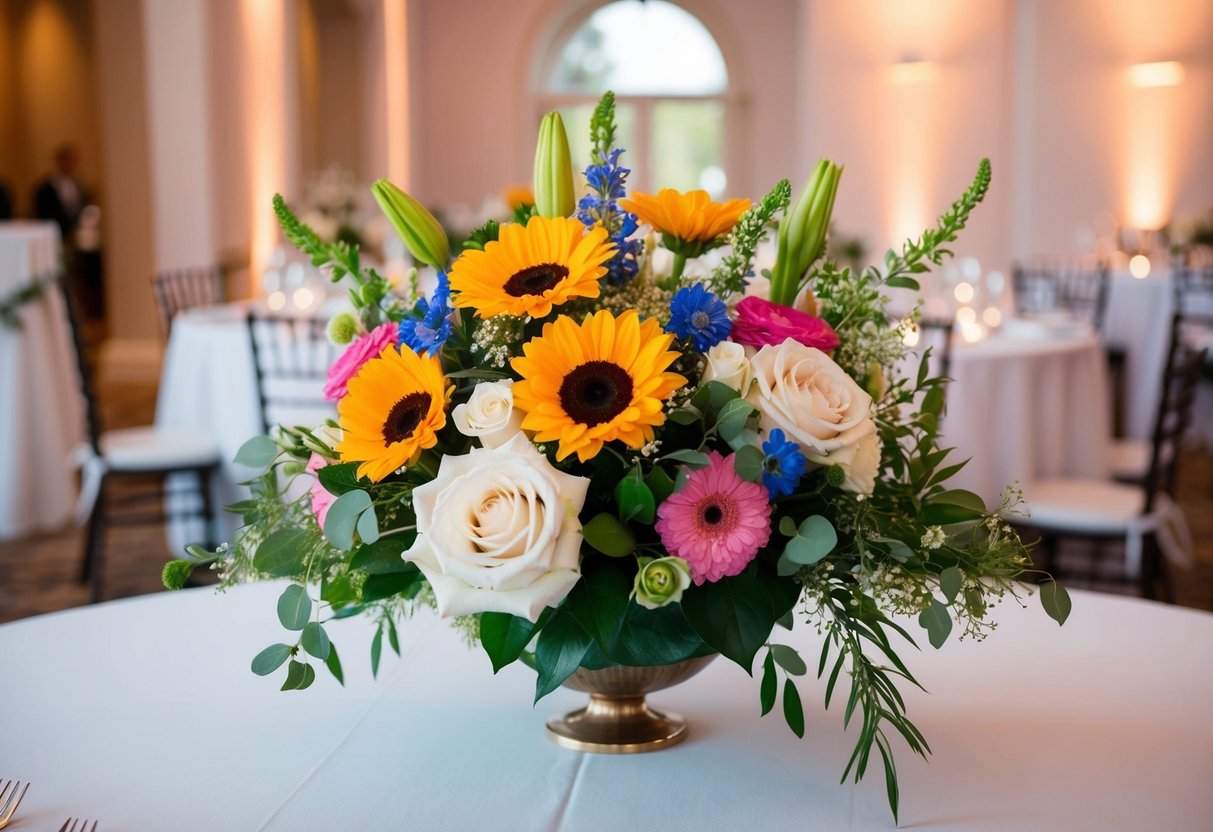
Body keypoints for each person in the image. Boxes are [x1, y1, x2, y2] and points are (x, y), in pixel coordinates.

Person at [33, 145, 88, 239]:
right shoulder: (47, 187)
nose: (70, 164)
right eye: (67, 160)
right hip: (54, 231)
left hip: (74, 231)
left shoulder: (78, 184)